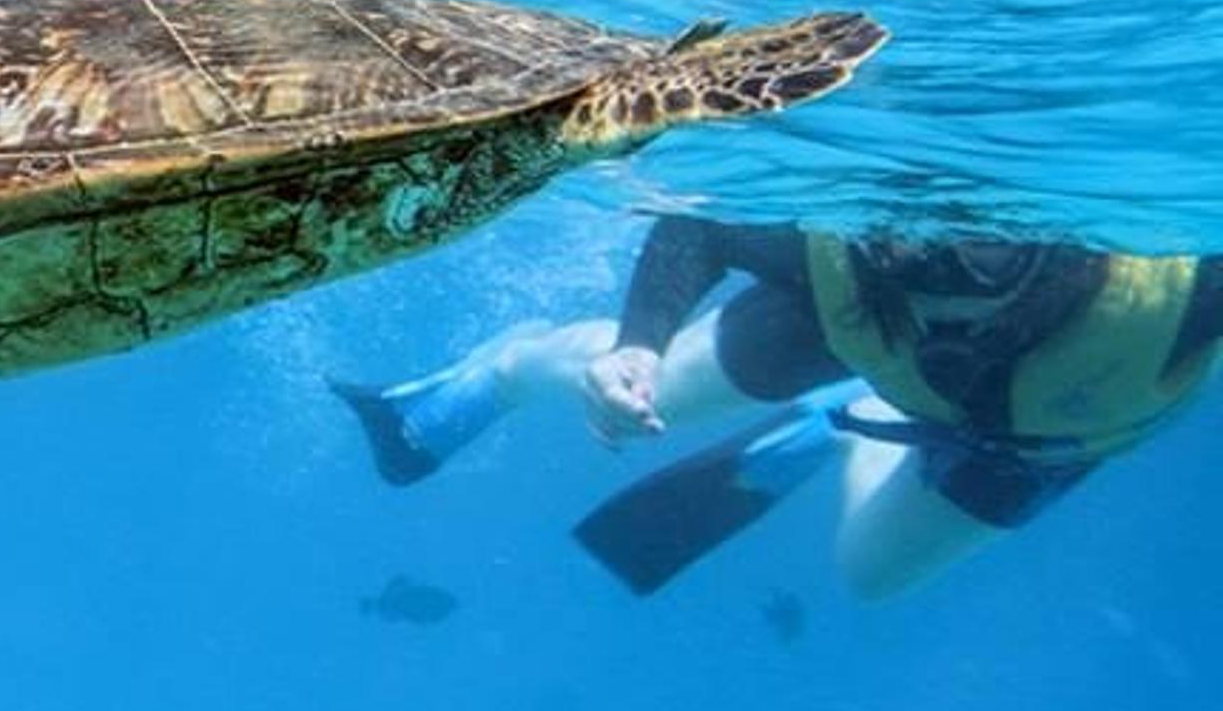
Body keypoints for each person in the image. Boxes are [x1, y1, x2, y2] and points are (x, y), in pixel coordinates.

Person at [330, 216, 1223, 598]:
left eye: (966, 283)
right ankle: (509, 367)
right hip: (856, 324)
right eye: (913, 267)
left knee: (871, 577)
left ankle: (845, 430)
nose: (938, 306)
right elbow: (702, 231)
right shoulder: (863, 259)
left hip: (1036, 427)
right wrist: (638, 343)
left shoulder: (1187, 292)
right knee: (656, 390)